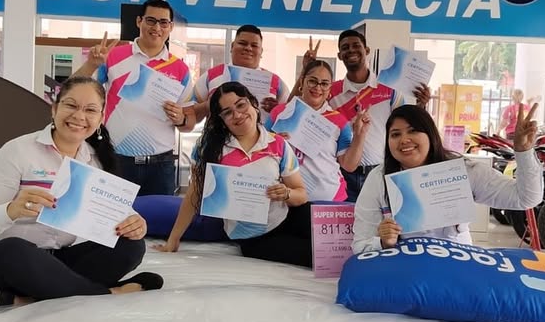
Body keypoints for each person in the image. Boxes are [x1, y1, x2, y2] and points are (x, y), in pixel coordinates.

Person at [0, 76, 161, 307]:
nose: (79, 116)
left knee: (130, 245)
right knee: (11, 249)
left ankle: (35, 296)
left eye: (90, 110)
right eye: (71, 105)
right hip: (3, 266)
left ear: (100, 119)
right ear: (54, 108)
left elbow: (116, 214)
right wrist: (11, 211)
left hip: (57, 262)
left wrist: (135, 224)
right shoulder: (17, 151)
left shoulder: (96, 160)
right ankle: (107, 293)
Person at [156, 82, 313, 267]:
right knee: (316, 256)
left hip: (288, 216)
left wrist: (286, 193)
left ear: (253, 102)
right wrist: (173, 239)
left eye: (241, 105)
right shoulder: (209, 148)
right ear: (221, 119)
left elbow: (301, 195)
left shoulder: (277, 144)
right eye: (227, 112)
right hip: (254, 237)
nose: (237, 115)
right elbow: (194, 193)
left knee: (333, 240)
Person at [353, 103, 543, 254]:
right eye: (395, 134)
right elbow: (360, 246)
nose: (404, 140)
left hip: (457, 270)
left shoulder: (462, 171)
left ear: (430, 135)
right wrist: (383, 242)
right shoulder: (378, 179)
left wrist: (524, 152)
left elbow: (526, 198)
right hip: (406, 275)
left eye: (413, 131)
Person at [74, 0, 196, 196]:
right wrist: (91, 65)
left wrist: (181, 118)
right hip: (118, 160)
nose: (157, 27)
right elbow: (74, 89)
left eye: (163, 22)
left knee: (158, 216)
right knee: (113, 215)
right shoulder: (113, 56)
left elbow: (189, 123)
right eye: (151, 20)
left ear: (171, 27)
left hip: (161, 166)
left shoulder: (180, 69)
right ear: (139, 21)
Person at [326, 29, 430, 202]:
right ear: (339, 55)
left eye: (356, 45)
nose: (351, 50)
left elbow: (406, 122)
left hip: (380, 172)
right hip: (342, 174)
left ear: (367, 50)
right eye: (345, 47)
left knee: (382, 219)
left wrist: (421, 105)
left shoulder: (389, 88)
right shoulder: (331, 91)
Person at [266, 59, 369, 202]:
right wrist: (275, 141)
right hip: (287, 199)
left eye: (324, 84)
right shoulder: (280, 113)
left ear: (329, 88)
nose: (318, 88)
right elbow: (261, 149)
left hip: (328, 201)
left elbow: (348, 165)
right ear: (302, 81)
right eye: (312, 81)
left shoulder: (338, 121)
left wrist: (360, 134)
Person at [190, 25, 290, 120]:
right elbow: (189, 116)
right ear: (232, 46)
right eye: (243, 43)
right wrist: (207, 105)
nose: (248, 48)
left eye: (254, 45)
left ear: (261, 51)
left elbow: (289, 118)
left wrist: (277, 111)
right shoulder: (211, 75)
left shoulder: (275, 81)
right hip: (216, 133)